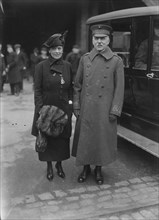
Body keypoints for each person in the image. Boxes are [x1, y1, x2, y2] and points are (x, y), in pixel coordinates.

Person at [72, 24, 124, 185]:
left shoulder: (116, 61)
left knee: (101, 139)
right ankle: (86, 167)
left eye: (103, 38)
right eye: (96, 38)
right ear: (92, 40)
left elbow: (120, 88)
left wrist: (115, 110)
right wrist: (76, 105)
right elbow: (77, 84)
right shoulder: (85, 58)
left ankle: (99, 169)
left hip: (104, 108)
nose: (99, 42)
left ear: (109, 40)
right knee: (86, 139)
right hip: (87, 107)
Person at [31, 32, 73, 181]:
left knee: (62, 139)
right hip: (46, 108)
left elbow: (71, 89)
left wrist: (70, 106)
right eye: (54, 48)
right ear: (49, 50)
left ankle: (59, 165)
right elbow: (37, 90)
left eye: (60, 48)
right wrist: (41, 108)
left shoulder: (68, 66)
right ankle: (49, 165)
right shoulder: (41, 67)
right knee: (47, 138)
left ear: (63, 50)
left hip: (63, 109)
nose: (57, 51)